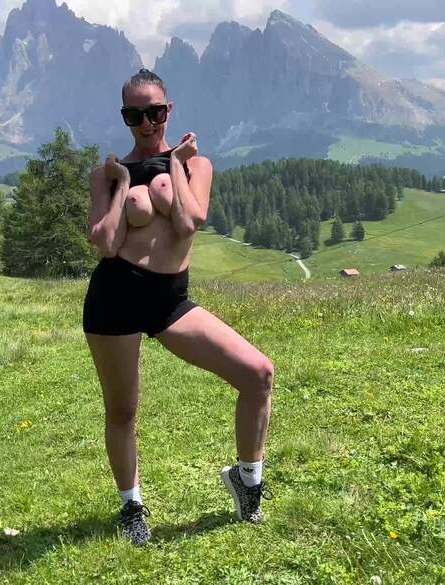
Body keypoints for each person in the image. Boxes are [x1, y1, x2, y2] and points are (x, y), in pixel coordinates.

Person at [84, 69, 275, 546]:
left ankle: (248, 481)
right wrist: (121, 184)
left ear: (168, 110)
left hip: (169, 301)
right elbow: (105, 243)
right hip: (115, 297)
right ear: (125, 117)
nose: (147, 124)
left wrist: (174, 163)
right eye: (134, 115)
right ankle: (131, 508)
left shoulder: (196, 165)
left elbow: (190, 220)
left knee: (258, 373)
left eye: (155, 112)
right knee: (123, 410)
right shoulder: (107, 175)